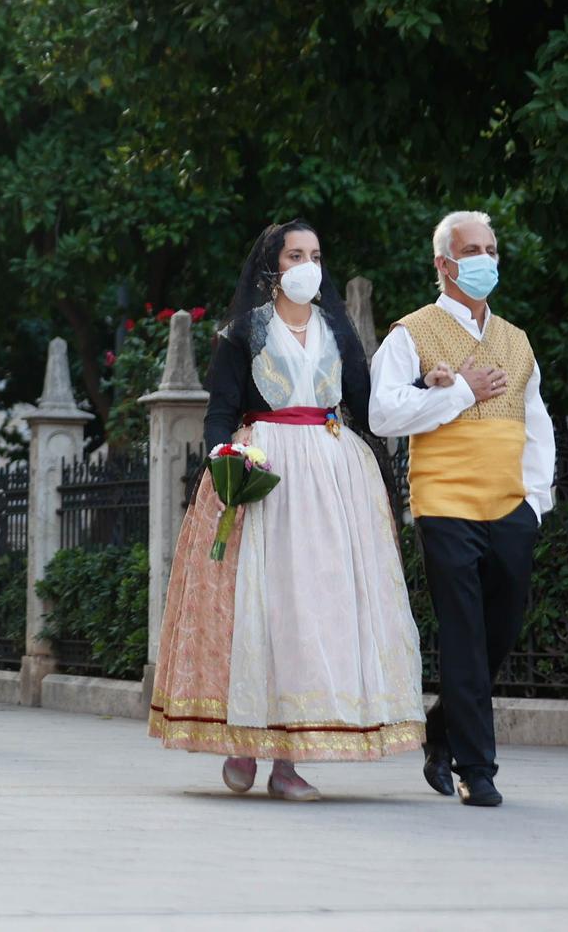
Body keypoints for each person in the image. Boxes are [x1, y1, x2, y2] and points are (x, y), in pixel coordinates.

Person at [148, 221, 424, 800]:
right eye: (296, 254)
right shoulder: (242, 332)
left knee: (315, 612)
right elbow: (221, 410)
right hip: (264, 471)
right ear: (272, 266)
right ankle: (246, 741)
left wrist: (429, 384)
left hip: (331, 478)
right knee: (262, 609)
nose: (308, 264)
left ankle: (291, 760)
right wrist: (225, 463)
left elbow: (366, 404)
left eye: (316, 254)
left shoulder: (336, 329)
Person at [369, 210, 553, 808]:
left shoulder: (517, 341)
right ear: (444, 263)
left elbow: (538, 425)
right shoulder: (411, 333)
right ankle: (478, 769)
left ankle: (441, 729)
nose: (486, 260)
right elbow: (383, 415)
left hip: (508, 506)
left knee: (499, 631)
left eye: (491, 249)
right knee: (464, 634)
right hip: (444, 503)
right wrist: (458, 391)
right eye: (473, 249)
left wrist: (535, 501)